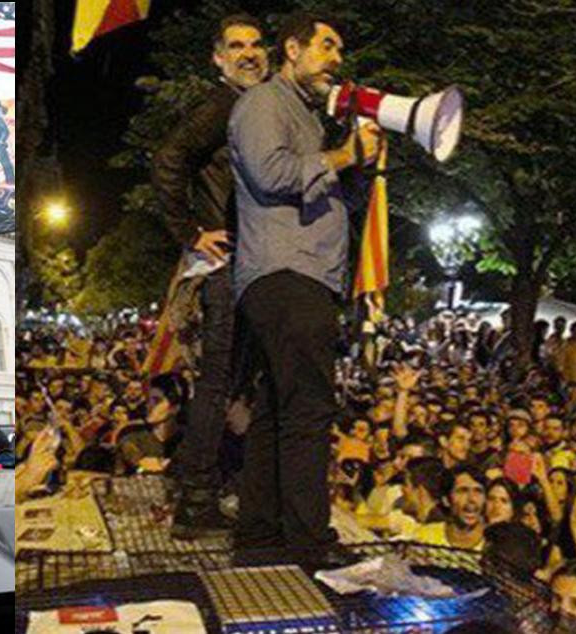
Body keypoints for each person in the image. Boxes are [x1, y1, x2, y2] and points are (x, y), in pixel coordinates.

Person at [226, 12, 383, 565]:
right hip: (289, 275)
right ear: (292, 49)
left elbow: (323, 185)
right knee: (309, 410)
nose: (336, 59)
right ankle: (310, 542)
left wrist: (359, 162)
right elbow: (271, 174)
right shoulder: (265, 103)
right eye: (326, 46)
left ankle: (260, 533)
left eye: (340, 49)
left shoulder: (306, 117)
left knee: (276, 410)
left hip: (295, 277)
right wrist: (342, 156)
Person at [151, 13, 268, 540]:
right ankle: (195, 499)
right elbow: (169, 157)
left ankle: (203, 481)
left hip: (251, 265)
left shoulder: (253, 108)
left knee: (233, 383)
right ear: (218, 58)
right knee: (219, 384)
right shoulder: (221, 105)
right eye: (236, 46)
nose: (249, 53)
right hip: (226, 268)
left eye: (256, 44)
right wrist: (191, 231)